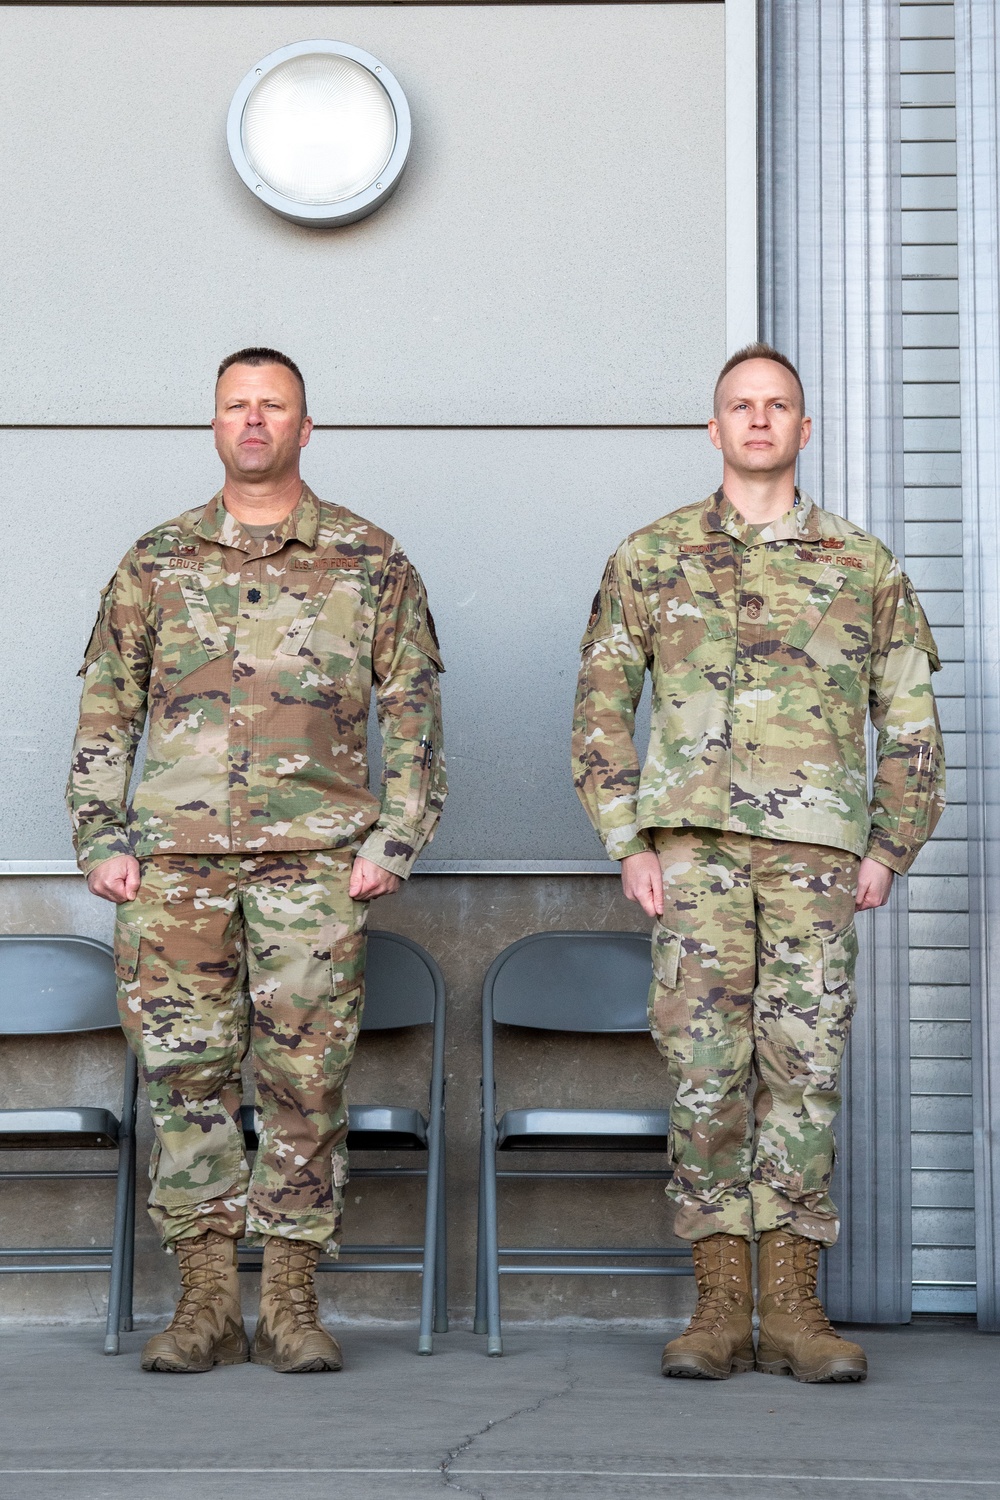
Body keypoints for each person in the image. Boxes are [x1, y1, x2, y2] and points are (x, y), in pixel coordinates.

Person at [67, 348, 445, 1374]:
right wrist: (101, 840)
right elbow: (107, 706)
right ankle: (202, 1303)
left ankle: (287, 1298)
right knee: (183, 1076)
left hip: (315, 872)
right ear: (214, 424)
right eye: (236, 404)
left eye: (272, 405)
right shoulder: (157, 561)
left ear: (304, 428)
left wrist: (390, 845)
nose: (253, 420)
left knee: (305, 1080)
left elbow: (414, 721)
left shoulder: (370, 562)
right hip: (172, 871)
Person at [571, 342, 944, 1383]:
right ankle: (717, 1308)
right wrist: (625, 839)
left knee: (805, 1070)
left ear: (803, 428)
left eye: (778, 405)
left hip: (818, 859)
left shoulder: (861, 566)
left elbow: (909, 720)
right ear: (714, 428)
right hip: (690, 858)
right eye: (741, 405)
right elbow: (600, 710)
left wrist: (889, 844)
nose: (759, 419)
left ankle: (792, 1307)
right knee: (703, 1073)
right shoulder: (651, 557)